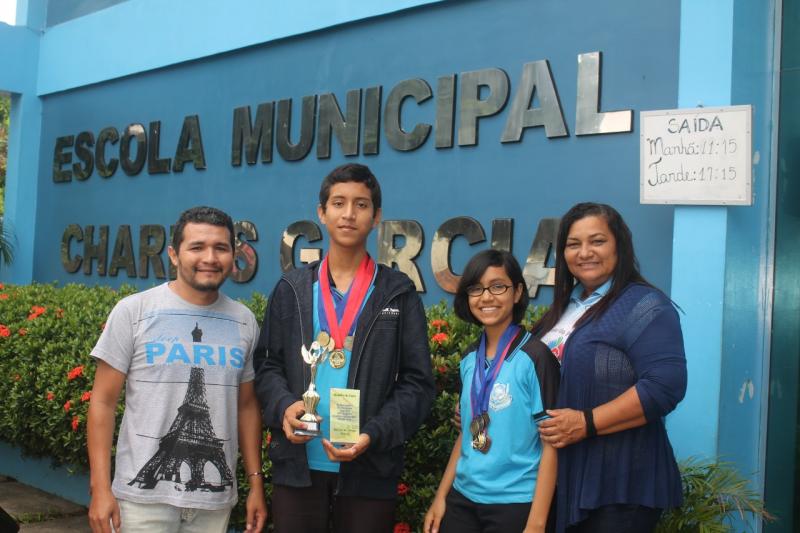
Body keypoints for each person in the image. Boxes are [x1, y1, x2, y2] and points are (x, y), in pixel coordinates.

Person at [253, 163, 436, 533]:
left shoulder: (397, 292)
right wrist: (286, 407)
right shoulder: (291, 289)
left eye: (361, 204)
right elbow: (268, 366)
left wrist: (374, 433)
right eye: (338, 203)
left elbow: (417, 384)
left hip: (369, 466)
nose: (349, 214)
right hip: (299, 463)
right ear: (321, 213)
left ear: (376, 216)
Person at [87, 206, 267, 533]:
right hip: (141, 504)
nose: (209, 257)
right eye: (197, 247)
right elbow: (102, 402)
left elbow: (246, 405)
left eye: (221, 248)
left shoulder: (244, 321)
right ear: (174, 254)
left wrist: (256, 484)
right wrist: (100, 489)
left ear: (233, 255)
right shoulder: (134, 312)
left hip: (213, 508)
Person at [534, 202, 687, 533]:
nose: (585, 252)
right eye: (574, 244)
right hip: (563, 476)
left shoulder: (645, 305)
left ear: (620, 245)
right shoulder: (565, 307)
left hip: (621, 483)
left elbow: (664, 386)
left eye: (597, 241)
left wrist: (586, 422)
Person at [424, 249, 560, 533]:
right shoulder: (469, 358)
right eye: (476, 288)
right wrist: (441, 497)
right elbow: (468, 431)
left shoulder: (535, 357)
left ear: (518, 291)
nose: (486, 297)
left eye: (498, 286)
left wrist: (537, 522)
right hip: (463, 499)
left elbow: (552, 442)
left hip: (516, 503)